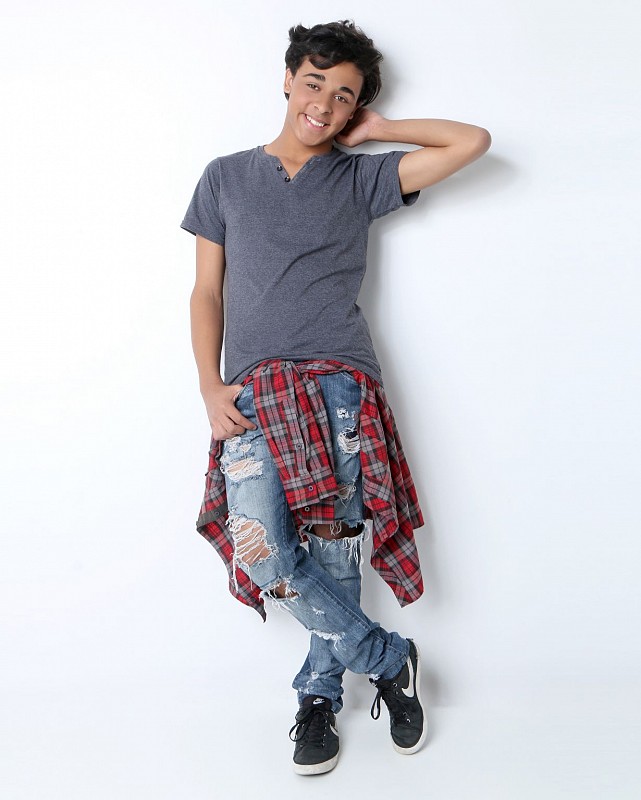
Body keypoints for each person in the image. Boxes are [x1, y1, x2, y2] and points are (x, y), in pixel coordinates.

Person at [180, 19, 491, 775]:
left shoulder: (361, 179)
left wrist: (382, 131)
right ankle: (386, 659)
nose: (322, 103)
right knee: (264, 550)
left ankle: (317, 697)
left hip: (338, 383)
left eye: (343, 95)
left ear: (355, 109)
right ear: (288, 79)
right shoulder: (224, 176)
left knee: (332, 548)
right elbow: (205, 291)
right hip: (252, 391)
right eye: (314, 83)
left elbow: (471, 141)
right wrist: (208, 385)